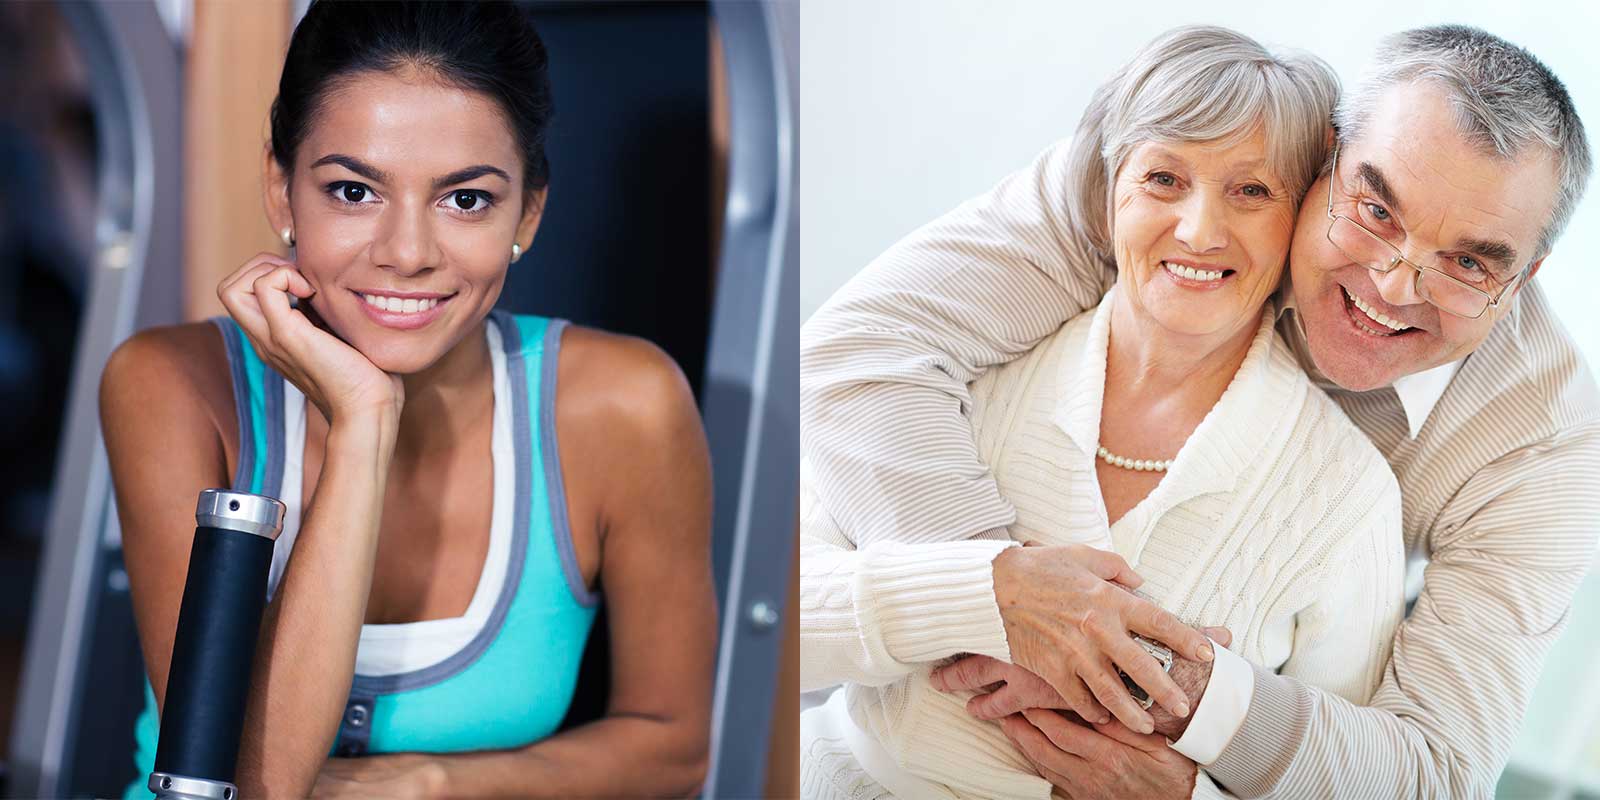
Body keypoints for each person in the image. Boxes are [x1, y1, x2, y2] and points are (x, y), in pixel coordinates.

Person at [802, 22, 1598, 799]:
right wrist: (1002, 599)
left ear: (1526, 277)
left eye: (1466, 263)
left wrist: (1185, 737)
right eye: (1375, 209)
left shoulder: (1545, 454)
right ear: (1324, 159)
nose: (1393, 286)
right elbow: (861, 348)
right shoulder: (1149, 191)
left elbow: (1439, 773)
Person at [101, 3, 715, 797]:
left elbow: (673, 747)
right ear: (281, 191)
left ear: (527, 211)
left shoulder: (624, 406)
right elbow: (254, 787)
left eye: (465, 200)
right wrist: (363, 422)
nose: (407, 254)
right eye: (354, 190)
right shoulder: (171, 385)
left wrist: (426, 783)